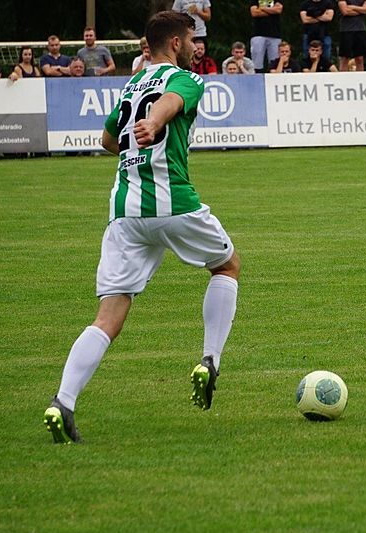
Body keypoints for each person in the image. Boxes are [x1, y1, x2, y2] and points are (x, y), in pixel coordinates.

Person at [43, 10, 241, 444]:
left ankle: (63, 402)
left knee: (108, 316)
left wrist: (139, 138)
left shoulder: (132, 84)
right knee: (227, 266)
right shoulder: (185, 79)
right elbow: (171, 101)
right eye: (192, 40)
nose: (197, 48)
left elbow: (107, 139)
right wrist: (155, 122)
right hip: (173, 204)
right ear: (175, 43)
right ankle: (210, 360)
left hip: (125, 212)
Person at [250, 0, 285, 72]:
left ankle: (274, 77)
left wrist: (262, 8)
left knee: (275, 62)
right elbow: (254, 13)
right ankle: (257, 76)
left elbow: (278, 10)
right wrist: (272, 11)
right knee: (257, 62)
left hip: (275, 35)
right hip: (258, 34)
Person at [338, 0, 366, 72]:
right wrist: (362, 10)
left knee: (360, 58)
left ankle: (360, 78)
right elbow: (345, 11)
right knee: (345, 58)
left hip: (360, 30)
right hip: (346, 30)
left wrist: (353, 7)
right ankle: (342, 78)